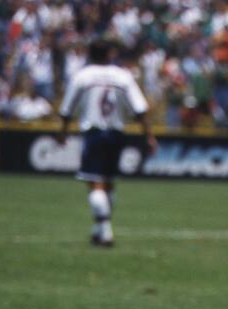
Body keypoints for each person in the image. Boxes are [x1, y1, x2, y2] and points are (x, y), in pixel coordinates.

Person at [57, 39, 156, 248]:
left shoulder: (82, 77)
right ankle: (98, 229)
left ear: (90, 54)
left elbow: (66, 110)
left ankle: (105, 231)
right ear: (110, 54)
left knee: (95, 183)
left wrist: (62, 133)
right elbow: (140, 109)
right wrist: (149, 135)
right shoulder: (123, 76)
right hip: (117, 133)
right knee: (109, 182)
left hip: (93, 133)